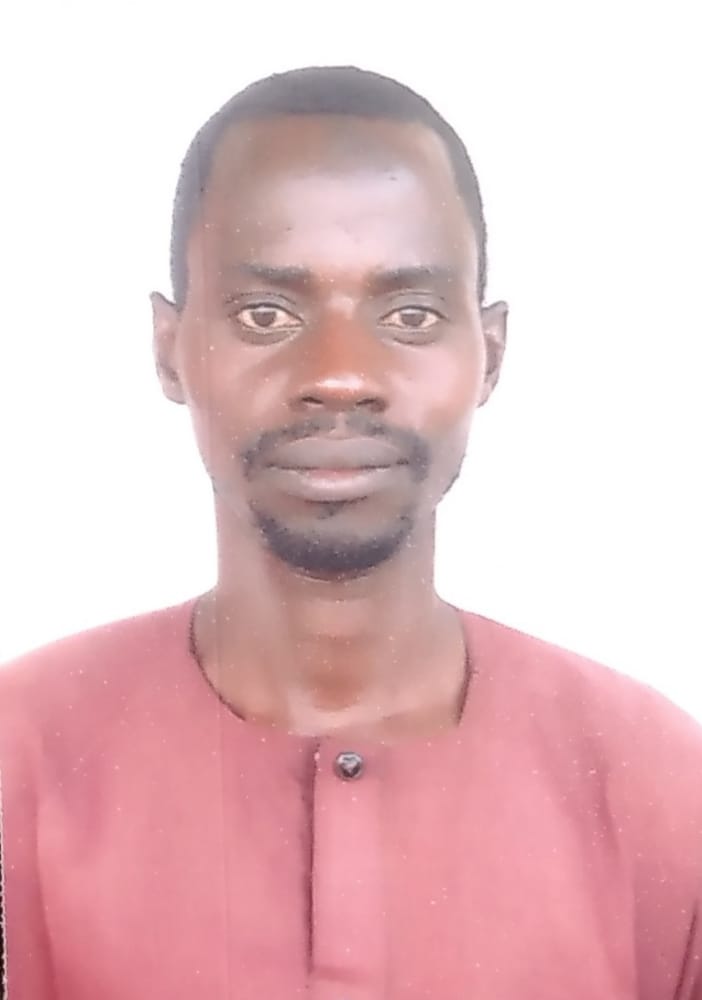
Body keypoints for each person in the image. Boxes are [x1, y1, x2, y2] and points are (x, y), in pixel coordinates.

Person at [0, 65, 700, 1000]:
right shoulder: (20, 758)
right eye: (266, 314)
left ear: (490, 354)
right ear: (170, 349)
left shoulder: (658, 788)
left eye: (409, 315)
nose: (339, 375)